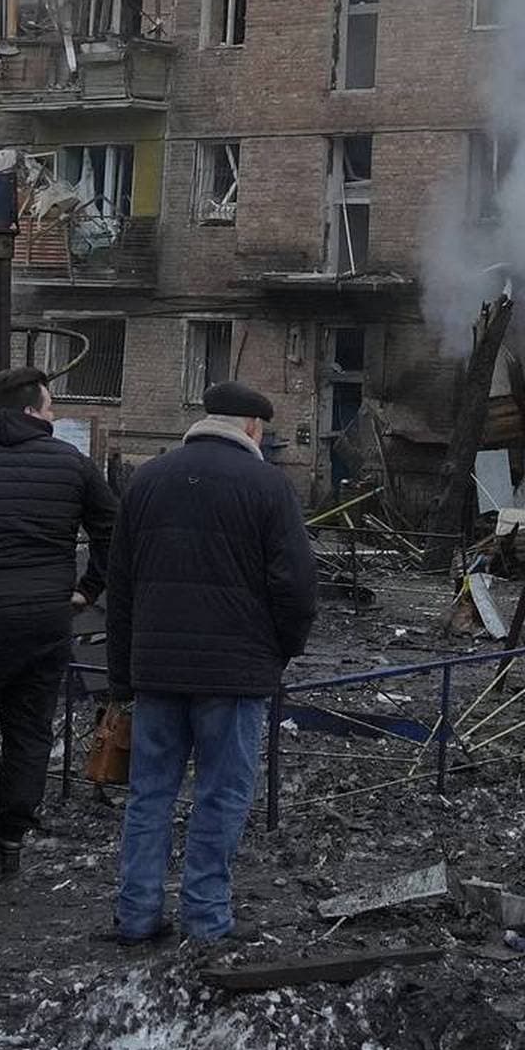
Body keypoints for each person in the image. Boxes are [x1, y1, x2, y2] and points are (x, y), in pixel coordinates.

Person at [106, 380, 317, 945]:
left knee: (149, 794)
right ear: (252, 427)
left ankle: (136, 915)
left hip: (156, 671)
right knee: (221, 796)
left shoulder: (147, 480)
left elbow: (120, 586)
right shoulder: (269, 487)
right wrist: (281, 651)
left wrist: (122, 676)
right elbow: (297, 587)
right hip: (235, 674)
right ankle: (206, 919)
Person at [0, 365, 117, 885]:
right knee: (29, 731)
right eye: (49, 406)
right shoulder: (71, 463)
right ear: (30, 410)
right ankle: (11, 842)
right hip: (46, 619)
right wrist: (87, 590)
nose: (53, 414)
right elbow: (114, 530)